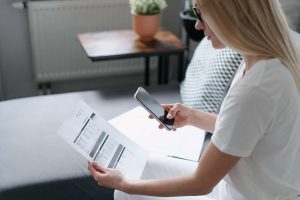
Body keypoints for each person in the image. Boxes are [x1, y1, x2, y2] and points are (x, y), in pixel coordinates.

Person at [88, 0, 300, 199]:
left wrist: (123, 183)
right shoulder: (270, 56)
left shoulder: (256, 88)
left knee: (125, 190)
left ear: (230, 15)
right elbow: (245, 129)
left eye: (200, 14)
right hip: (233, 188)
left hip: (236, 195)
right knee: (138, 168)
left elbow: (201, 183)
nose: (197, 25)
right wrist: (192, 116)